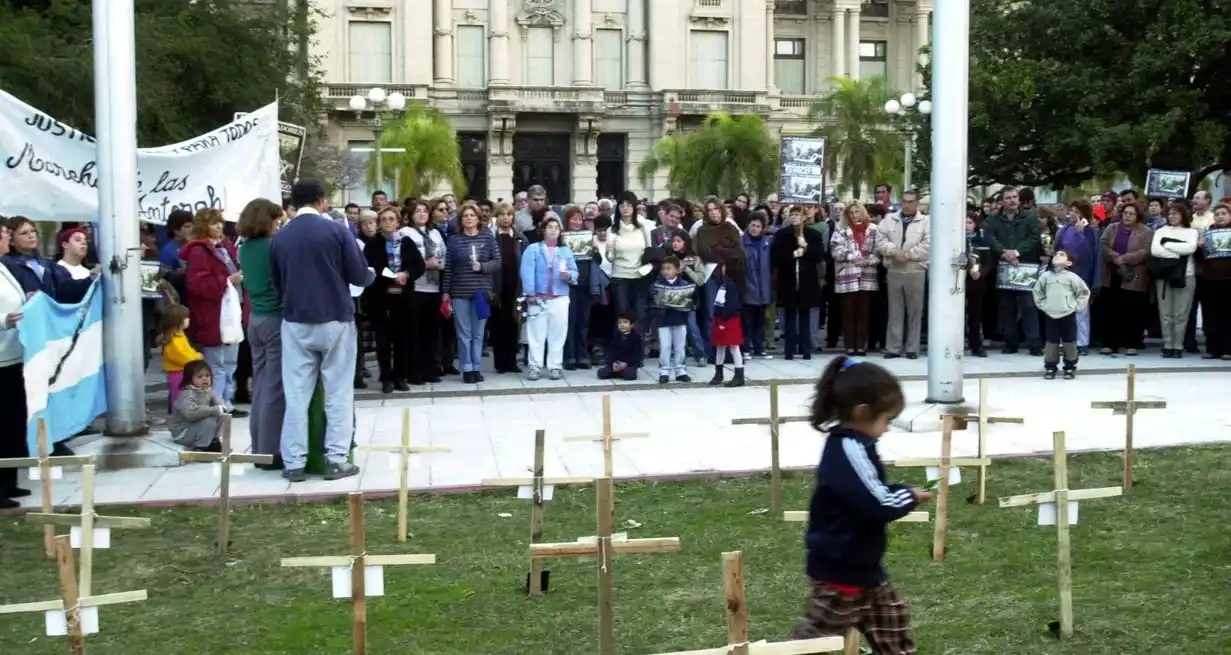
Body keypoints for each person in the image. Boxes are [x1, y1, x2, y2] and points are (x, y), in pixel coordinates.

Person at [789, 357, 930, 653]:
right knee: (813, 642)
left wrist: (898, 492)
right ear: (862, 412)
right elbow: (878, 503)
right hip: (840, 570)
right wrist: (909, 495)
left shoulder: (857, 446)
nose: (887, 429)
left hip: (864, 567)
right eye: (887, 420)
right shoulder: (847, 450)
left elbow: (870, 491)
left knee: (893, 624)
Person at [269, 179, 375, 482]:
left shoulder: (281, 237)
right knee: (338, 392)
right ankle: (336, 459)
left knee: (297, 394)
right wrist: (369, 276)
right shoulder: (337, 231)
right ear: (322, 201)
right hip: (335, 318)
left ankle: (294, 462)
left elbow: (277, 283)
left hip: (295, 320)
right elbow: (358, 274)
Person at [236, 198, 289, 468]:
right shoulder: (272, 247)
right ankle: (271, 450)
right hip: (275, 319)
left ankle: (258, 444)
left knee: (260, 384)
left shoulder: (244, 248)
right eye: (276, 221)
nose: (278, 226)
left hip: (255, 317)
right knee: (275, 386)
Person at [180, 208, 247, 417]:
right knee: (216, 364)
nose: (219, 226)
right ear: (203, 226)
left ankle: (226, 402)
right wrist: (229, 281)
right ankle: (216, 406)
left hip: (230, 313)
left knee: (230, 362)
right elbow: (198, 285)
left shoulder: (224, 248)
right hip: (214, 315)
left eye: (220, 222)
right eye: (213, 223)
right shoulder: (199, 251)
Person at [363, 207, 426, 391]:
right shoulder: (373, 243)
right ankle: (386, 377)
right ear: (379, 223)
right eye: (384, 219)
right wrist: (391, 275)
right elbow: (371, 265)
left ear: (398, 221)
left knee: (403, 338)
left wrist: (406, 273)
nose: (388, 222)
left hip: (404, 295)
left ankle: (400, 375)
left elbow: (419, 265)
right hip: (381, 296)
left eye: (391, 219)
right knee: (383, 340)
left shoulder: (406, 242)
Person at [443, 201, 502, 384]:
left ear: (478, 218)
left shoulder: (487, 237)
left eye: (472, 215)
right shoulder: (454, 240)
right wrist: (445, 293)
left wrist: (483, 266)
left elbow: (497, 262)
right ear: (461, 220)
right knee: (463, 333)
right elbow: (449, 269)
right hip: (460, 291)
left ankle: (477, 367)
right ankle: (466, 368)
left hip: (481, 292)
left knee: (478, 333)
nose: (469, 218)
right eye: (465, 216)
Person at [984, 186, 1044, 355]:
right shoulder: (993, 220)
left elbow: (1034, 237)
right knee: (1006, 307)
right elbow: (989, 238)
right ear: (1002, 201)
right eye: (1008, 197)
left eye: (1014, 197)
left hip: (1025, 266)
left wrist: (1016, 252)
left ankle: (1034, 344)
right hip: (1004, 267)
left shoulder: (1030, 217)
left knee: (1029, 306)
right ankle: (1011, 343)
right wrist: (1004, 253)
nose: (1012, 200)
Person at [520, 215, 579, 380]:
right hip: (538, 298)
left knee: (558, 334)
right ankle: (534, 366)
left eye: (556, 227)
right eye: (550, 227)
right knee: (536, 334)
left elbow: (575, 272)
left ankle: (555, 366)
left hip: (559, 297)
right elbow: (526, 272)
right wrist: (530, 293)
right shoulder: (533, 249)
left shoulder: (565, 251)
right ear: (543, 230)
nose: (553, 230)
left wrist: (569, 275)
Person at [876, 190, 930, 360]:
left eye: (911, 201)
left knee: (915, 311)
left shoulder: (926, 221)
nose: (907, 205)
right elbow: (879, 240)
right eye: (904, 201)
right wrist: (894, 251)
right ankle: (893, 347)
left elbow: (928, 244)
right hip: (894, 268)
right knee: (895, 310)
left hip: (915, 269)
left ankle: (912, 348)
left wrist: (907, 254)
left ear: (917, 203)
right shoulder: (889, 219)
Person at [0, 222, 31, 508]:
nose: (7, 237)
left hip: (13, 356)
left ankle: (9, 480)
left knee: (12, 422)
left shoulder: (4, 266)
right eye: (4, 234)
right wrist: (4, 321)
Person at [1098, 202, 1153, 356]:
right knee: (1110, 310)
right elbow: (1103, 244)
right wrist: (1114, 257)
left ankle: (1132, 343)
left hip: (1134, 275)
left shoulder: (1146, 231)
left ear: (1138, 216)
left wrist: (1127, 258)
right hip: (1112, 273)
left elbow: (1146, 250)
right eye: (1125, 213)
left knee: (1132, 311)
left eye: (1131, 214)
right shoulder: (1112, 228)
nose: (1127, 216)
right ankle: (1110, 343)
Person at [829, 203, 884, 356]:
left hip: (866, 276)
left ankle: (861, 345)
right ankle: (849, 346)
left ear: (863, 213)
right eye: (851, 212)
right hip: (847, 276)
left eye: (857, 212)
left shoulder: (873, 229)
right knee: (848, 313)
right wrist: (853, 257)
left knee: (863, 314)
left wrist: (868, 261)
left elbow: (878, 251)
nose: (854, 215)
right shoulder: (840, 229)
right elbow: (835, 250)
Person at [1151, 201, 1200, 358]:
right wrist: (1178, 254)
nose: (1172, 216)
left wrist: (1167, 244)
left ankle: (1178, 345)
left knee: (1181, 312)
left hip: (1187, 275)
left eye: (1175, 213)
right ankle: (1168, 344)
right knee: (1165, 312)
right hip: (1164, 275)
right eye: (1170, 213)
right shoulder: (1160, 231)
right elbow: (1155, 250)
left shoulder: (1191, 232)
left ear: (1183, 214)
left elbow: (1191, 248)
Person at [1032, 251, 1091, 380]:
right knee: (1051, 342)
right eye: (1056, 254)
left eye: (1062, 255)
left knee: (1069, 342)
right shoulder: (1045, 277)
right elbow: (1037, 292)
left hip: (1068, 314)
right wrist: (1043, 305)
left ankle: (1070, 366)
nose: (1057, 256)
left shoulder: (1072, 277)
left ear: (1069, 263)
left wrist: (1076, 307)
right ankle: (1050, 367)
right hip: (1051, 314)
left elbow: (1084, 292)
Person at [651, 256, 694, 384]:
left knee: (680, 347)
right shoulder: (657, 285)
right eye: (663, 269)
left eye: (669, 268)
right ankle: (664, 371)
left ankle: (680, 370)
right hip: (663, 321)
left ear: (677, 270)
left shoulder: (685, 284)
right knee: (665, 346)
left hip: (680, 320)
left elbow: (690, 303)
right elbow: (654, 301)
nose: (665, 271)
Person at [167, 360, 227, 453]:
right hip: (183, 432)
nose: (205, 379)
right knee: (209, 419)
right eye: (200, 376)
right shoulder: (186, 394)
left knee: (220, 415)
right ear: (190, 379)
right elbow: (191, 413)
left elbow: (219, 403)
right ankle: (201, 447)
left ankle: (213, 441)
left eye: (207, 376)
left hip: (195, 427)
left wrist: (221, 407)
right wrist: (214, 409)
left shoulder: (208, 391)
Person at [1196, 204, 1231, 360]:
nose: (1220, 217)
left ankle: (1228, 349)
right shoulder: (1207, 233)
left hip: (1229, 280)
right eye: (1217, 214)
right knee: (1210, 315)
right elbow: (1199, 259)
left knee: (1228, 316)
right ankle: (1212, 349)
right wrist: (1199, 246)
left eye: (1223, 213)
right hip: (1209, 280)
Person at [709, 255, 746, 388]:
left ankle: (739, 375)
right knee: (719, 346)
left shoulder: (732, 286)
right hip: (721, 318)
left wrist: (723, 317)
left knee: (734, 346)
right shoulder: (724, 284)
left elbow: (732, 304)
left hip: (729, 319)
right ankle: (718, 373)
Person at [157, 300, 200, 411]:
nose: (189, 319)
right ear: (178, 321)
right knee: (180, 399)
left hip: (184, 372)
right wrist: (196, 357)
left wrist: (195, 355)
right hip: (178, 374)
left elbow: (188, 351)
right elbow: (184, 358)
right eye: (186, 317)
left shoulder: (179, 335)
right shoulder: (174, 341)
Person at [741, 212, 774, 359]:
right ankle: (746, 348)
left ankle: (759, 348)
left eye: (758, 226)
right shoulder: (741, 242)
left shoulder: (767, 243)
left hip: (764, 287)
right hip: (748, 287)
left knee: (761, 321)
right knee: (747, 321)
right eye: (752, 225)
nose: (755, 228)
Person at [965, 213, 993, 357]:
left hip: (976, 283)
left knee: (975, 316)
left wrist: (980, 273)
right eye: (964, 223)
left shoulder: (982, 240)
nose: (967, 225)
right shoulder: (955, 240)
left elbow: (988, 262)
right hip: (960, 282)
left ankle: (976, 345)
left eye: (969, 222)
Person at [596, 312, 643, 381]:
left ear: (632, 325)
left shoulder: (636, 337)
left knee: (629, 375)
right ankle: (617, 372)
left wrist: (626, 364)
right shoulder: (616, 336)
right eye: (620, 323)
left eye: (625, 322)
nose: (622, 325)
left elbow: (637, 355)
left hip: (628, 364)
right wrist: (613, 362)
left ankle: (621, 372)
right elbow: (611, 351)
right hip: (617, 363)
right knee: (601, 373)